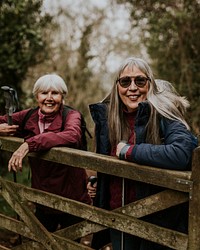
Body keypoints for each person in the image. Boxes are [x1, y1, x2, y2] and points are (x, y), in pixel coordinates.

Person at [88, 57, 198, 250]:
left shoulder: (163, 113)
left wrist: (130, 151)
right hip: (117, 211)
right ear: (117, 86)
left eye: (140, 81)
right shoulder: (107, 118)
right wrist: (98, 180)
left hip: (156, 214)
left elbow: (183, 152)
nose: (132, 87)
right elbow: (102, 157)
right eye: (125, 81)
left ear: (150, 84)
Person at [0, 73, 91, 232]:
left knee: (68, 244)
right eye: (44, 93)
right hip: (42, 197)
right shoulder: (29, 115)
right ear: (37, 96)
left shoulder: (71, 115)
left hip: (71, 199)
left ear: (62, 97)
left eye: (55, 93)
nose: (49, 98)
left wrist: (29, 144)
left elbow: (72, 135)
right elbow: (3, 120)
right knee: (41, 242)